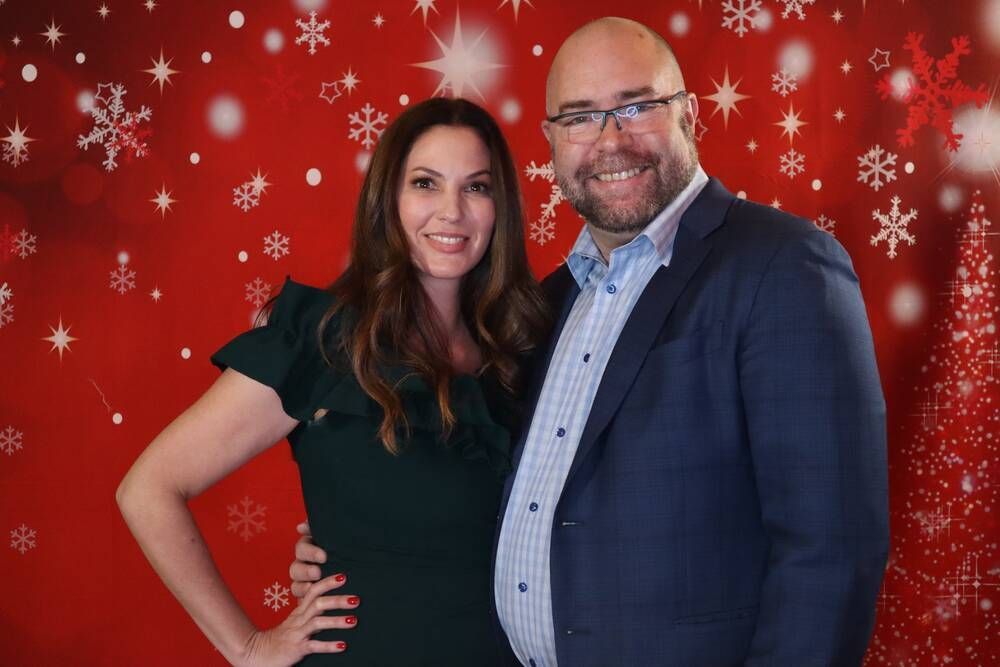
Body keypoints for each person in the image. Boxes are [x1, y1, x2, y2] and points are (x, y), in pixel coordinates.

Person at [291, 16, 890, 667]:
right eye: (580, 117)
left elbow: (831, 553)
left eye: (636, 106)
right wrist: (358, 539)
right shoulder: (542, 307)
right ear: (551, 140)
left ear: (689, 113)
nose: (611, 139)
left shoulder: (782, 267)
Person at [116, 97, 550, 666]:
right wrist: (248, 647)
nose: (452, 211)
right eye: (425, 183)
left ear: (500, 208)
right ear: (387, 199)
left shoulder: (523, 352)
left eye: (476, 187)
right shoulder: (324, 340)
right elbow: (148, 489)